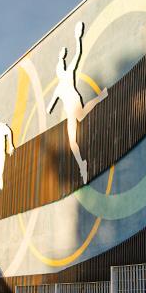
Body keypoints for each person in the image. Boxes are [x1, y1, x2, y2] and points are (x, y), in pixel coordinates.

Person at [48, 21, 108, 183]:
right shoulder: (61, 83)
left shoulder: (67, 76)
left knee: (79, 120)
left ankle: (101, 97)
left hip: (73, 104)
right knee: (72, 140)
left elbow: (78, 54)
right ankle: (82, 166)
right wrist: (77, 39)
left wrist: (77, 38)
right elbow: (49, 107)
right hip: (71, 109)